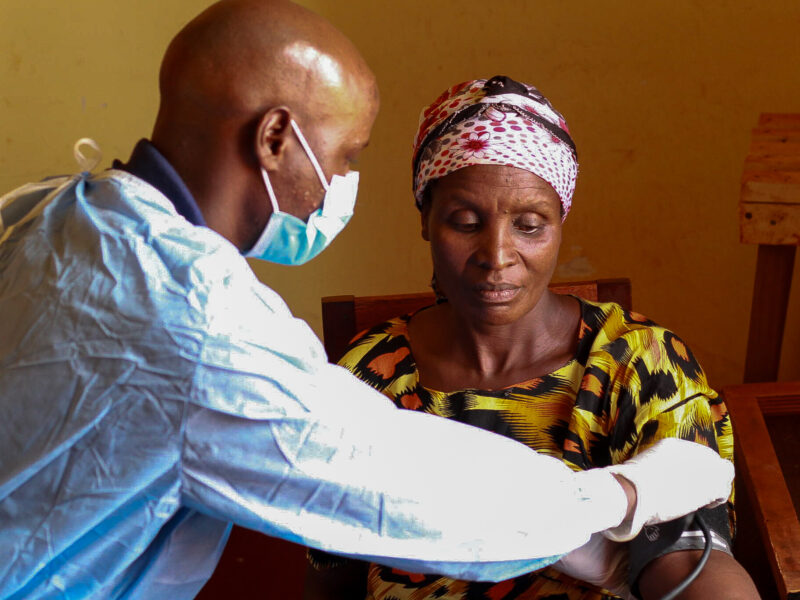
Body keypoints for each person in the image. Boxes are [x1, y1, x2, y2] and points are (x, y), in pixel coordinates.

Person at [0, 1, 735, 598]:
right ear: (277, 138)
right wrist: (622, 500)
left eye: (531, 223)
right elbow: (398, 489)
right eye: (346, 156)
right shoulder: (201, 327)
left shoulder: (41, 213)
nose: (498, 254)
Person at [305, 76, 760, 599]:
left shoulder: (636, 363)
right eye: (465, 221)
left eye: (529, 224)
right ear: (426, 220)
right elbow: (332, 568)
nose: (497, 255)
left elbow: (688, 560)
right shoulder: (369, 374)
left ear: (560, 223)